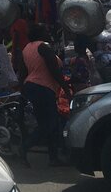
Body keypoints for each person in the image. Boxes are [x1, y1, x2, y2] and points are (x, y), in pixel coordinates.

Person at [19, 24, 72, 167]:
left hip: (32, 86)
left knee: (46, 124)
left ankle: (52, 157)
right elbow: (54, 70)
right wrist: (66, 89)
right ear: (40, 34)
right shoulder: (44, 47)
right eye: (46, 31)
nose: (48, 33)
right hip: (43, 88)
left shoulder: (27, 48)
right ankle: (24, 147)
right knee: (50, 124)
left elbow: (23, 72)